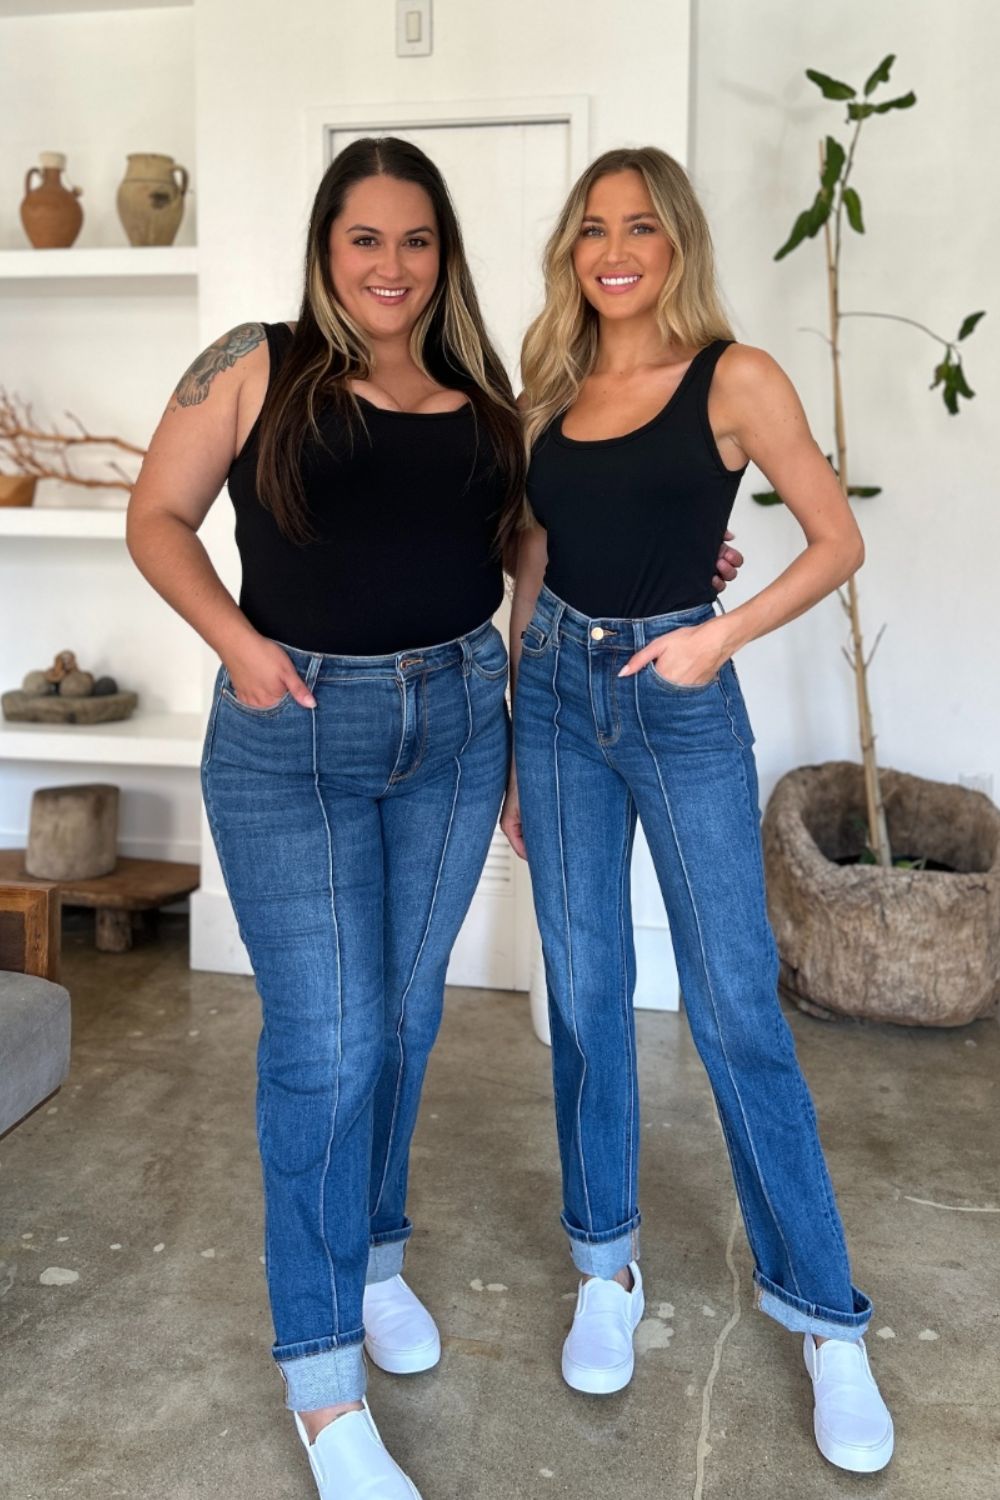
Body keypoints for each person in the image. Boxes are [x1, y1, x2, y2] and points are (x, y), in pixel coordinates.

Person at [127, 131, 745, 1498]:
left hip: (463, 722)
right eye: (366, 238)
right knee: (327, 1042)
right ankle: (322, 1387)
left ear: (443, 256)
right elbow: (158, 517)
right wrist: (235, 644)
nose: (392, 264)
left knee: (403, 1022)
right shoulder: (253, 363)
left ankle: (374, 1253)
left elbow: (535, 548)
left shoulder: (483, 397)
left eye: (417, 240)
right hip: (291, 730)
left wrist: (677, 547)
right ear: (325, 247)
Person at [502, 146, 894, 1476]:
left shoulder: (736, 376)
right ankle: (605, 1267)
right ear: (575, 247)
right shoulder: (551, 381)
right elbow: (535, 557)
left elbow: (836, 540)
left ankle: (828, 1323)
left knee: (734, 1003)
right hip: (554, 698)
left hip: (676, 693)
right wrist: (509, 725)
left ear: (678, 245)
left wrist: (715, 639)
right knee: (587, 991)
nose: (616, 250)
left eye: (643, 229)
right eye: (596, 229)